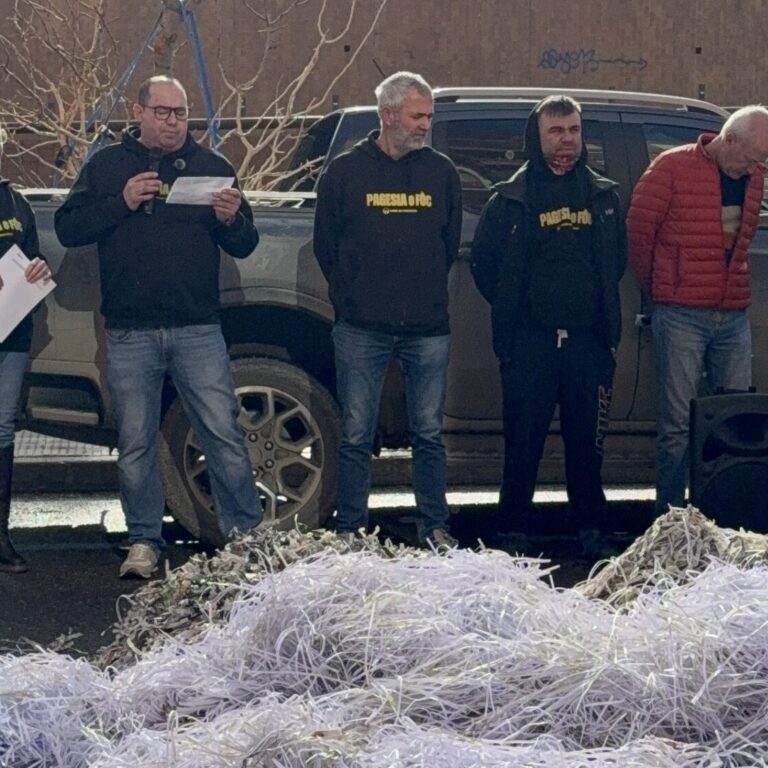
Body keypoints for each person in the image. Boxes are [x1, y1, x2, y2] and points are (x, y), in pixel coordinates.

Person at [54, 75, 262, 578]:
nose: (173, 123)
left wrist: (232, 220)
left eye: (181, 113)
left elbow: (245, 243)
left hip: (197, 328)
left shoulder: (213, 167)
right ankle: (144, 539)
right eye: (163, 112)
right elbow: (68, 227)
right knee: (136, 442)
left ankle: (246, 539)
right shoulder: (107, 165)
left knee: (223, 434)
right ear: (139, 112)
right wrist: (120, 202)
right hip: (131, 331)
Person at [313, 71, 462, 548]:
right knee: (356, 434)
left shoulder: (442, 173)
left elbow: (449, 244)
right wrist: (352, 299)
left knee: (429, 435)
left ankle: (434, 527)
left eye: (428, 117)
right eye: (417, 116)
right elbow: (325, 247)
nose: (425, 125)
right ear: (388, 115)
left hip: (428, 327)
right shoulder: (344, 172)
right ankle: (351, 529)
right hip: (362, 327)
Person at [471, 95, 625, 533]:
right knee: (522, 445)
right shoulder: (511, 198)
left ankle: (591, 532)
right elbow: (484, 265)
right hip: (529, 346)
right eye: (556, 131)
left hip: (589, 345)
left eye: (573, 130)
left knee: (587, 448)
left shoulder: (603, 196)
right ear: (536, 137)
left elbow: (616, 262)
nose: (566, 140)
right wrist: (519, 311)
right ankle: (512, 531)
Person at [627, 106, 768, 515]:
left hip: (733, 311)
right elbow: (639, 234)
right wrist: (661, 290)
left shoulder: (754, 174)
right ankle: (670, 520)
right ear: (730, 140)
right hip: (682, 312)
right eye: (752, 158)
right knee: (678, 425)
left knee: (735, 423)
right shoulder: (671, 168)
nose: (756, 168)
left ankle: (727, 517)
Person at [0, 175, 52, 573]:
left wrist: (38, 268)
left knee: (2, 428)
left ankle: (0, 536)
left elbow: (33, 256)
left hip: (11, 328)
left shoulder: (17, 202)